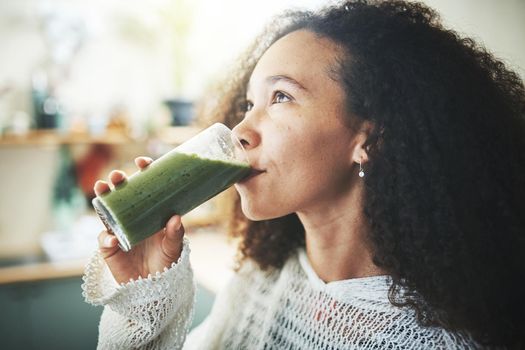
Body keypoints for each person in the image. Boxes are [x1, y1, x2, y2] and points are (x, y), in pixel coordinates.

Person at [82, 1, 525, 349]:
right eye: (248, 105)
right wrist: (146, 294)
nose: (240, 132)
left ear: (369, 140)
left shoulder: (442, 341)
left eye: (281, 96)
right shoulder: (259, 281)